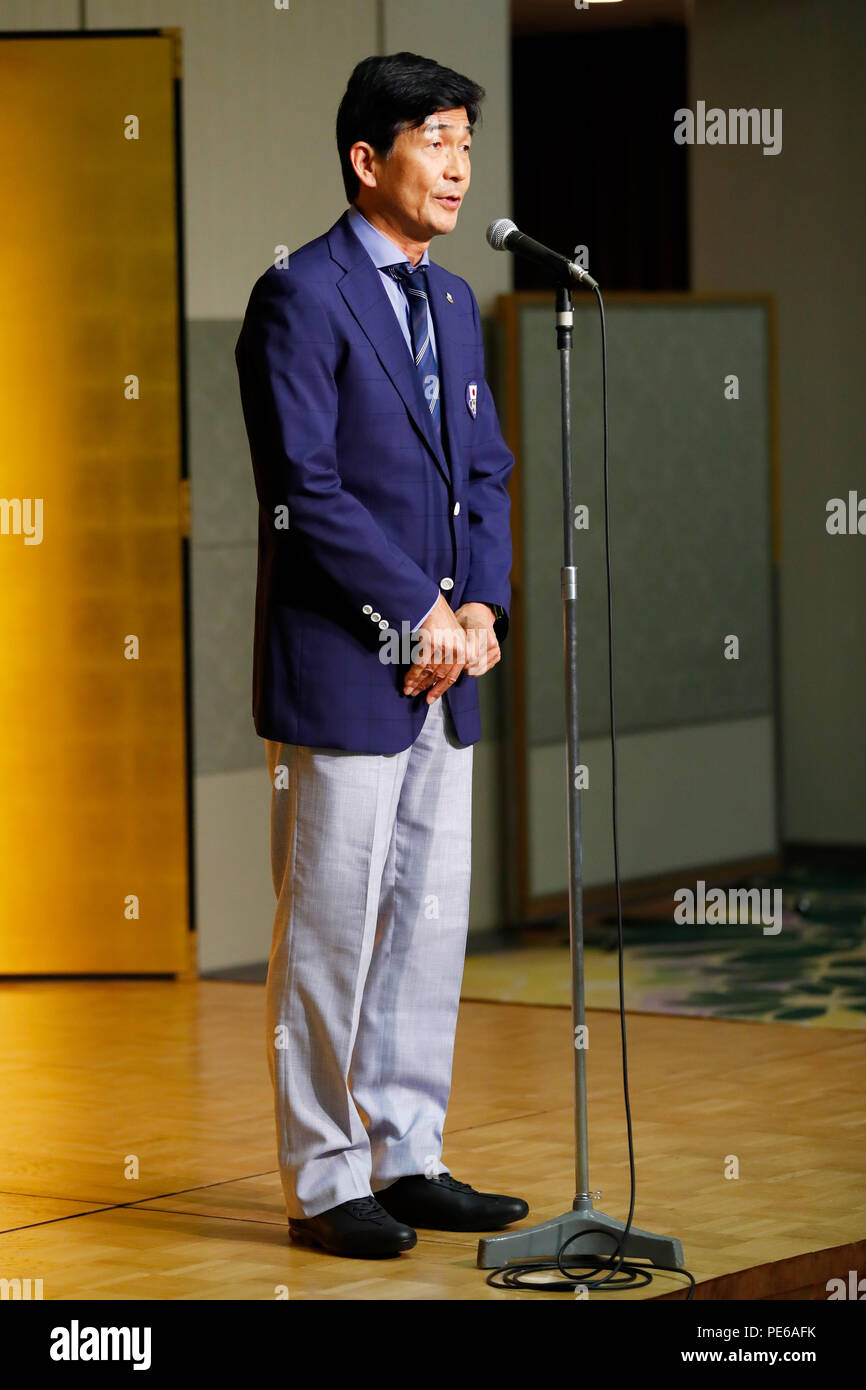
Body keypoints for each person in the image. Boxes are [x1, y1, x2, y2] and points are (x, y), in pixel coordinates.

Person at [234, 51, 526, 1259]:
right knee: (330, 932)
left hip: (442, 671)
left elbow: (487, 476)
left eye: (466, 139)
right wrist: (420, 619)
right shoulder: (299, 294)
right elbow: (306, 492)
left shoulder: (452, 301)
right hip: (346, 669)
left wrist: (483, 616)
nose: (458, 162)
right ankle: (323, 1176)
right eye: (435, 139)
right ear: (368, 159)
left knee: (424, 920)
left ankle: (407, 1152)